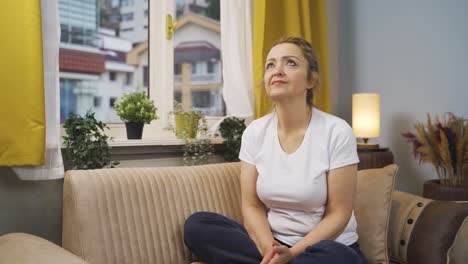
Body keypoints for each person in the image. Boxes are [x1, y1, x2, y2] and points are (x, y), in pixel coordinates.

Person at [183, 37, 367, 264]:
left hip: (324, 249)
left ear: (311, 80)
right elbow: (251, 205)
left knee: (337, 257)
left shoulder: (337, 131)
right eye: (271, 64)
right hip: (273, 245)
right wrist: (270, 250)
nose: (277, 70)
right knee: (198, 225)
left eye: (290, 63)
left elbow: (339, 214)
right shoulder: (254, 132)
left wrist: (293, 253)